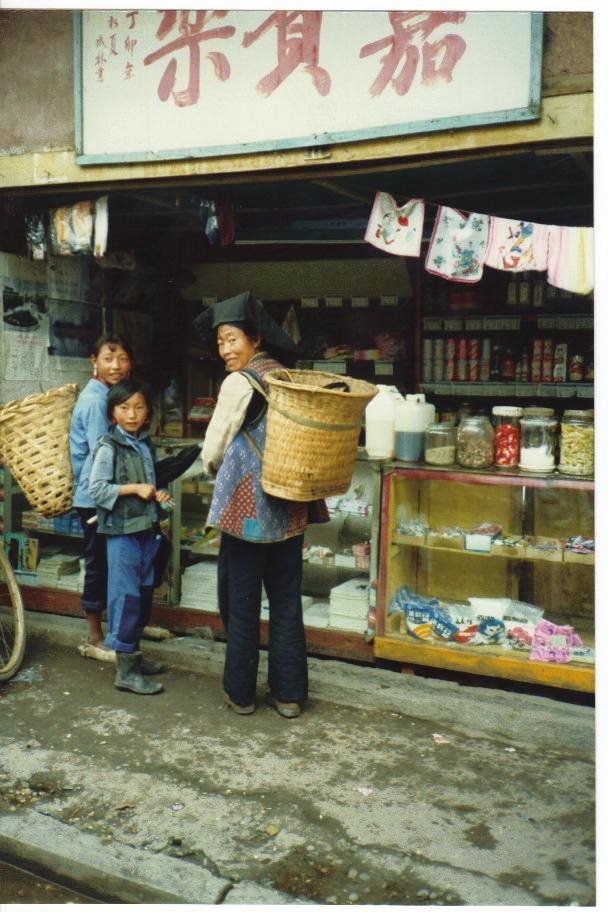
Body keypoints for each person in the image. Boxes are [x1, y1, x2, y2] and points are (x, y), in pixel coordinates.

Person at [193, 291, 328, 719]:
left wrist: (212, 468)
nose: (225, 350)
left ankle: (242, 694)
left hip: (246, 511)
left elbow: (213, 447)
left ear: (254, 339)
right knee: (287, 599)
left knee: (242, 599)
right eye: (219, 342)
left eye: (232, 339)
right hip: (289, 505)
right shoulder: (285, 376)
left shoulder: (240, 382)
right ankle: (289, 695)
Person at [88, 378, 201, 695]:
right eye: (124, 408)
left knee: (142, 594)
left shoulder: (144, 445)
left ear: (148, 413)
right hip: (122, 533)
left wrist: (156, 495)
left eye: (139, 407)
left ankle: (134, 658)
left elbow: (148, 483)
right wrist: (135, 489)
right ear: (113, 414)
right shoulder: (108, 447)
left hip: (145, 529)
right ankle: (124, 670)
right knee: (125, 597)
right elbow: (96, 489)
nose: (132, 414)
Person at [69, 333, 133, 650]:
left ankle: (115, 629)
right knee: (98, 564)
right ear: (93, 362)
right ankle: (94, 634)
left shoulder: (108, 395)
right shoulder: (96, 401)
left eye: (122, 358)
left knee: (109, 562)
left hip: (106, 494)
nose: (116, 365)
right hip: (96, 498)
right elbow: (100, 454)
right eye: (108, 359)